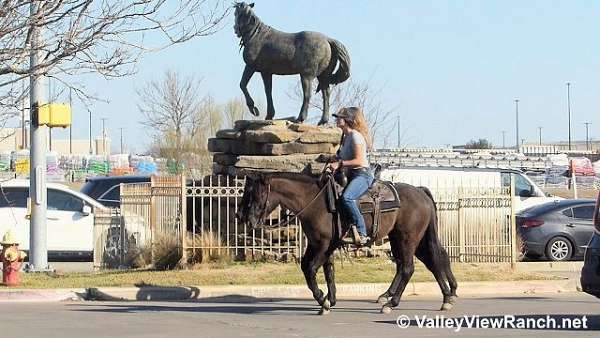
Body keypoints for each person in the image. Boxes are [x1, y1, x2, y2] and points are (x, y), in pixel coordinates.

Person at [329, 106, 374, 245]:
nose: (337, 119)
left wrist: (340, 164)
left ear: (347, 120)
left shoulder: (355, 136)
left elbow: (359, 161)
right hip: (350, 175)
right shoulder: (346, 137)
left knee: (347, 198)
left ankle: (362, 232)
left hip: (362, 175)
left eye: (339, 117)